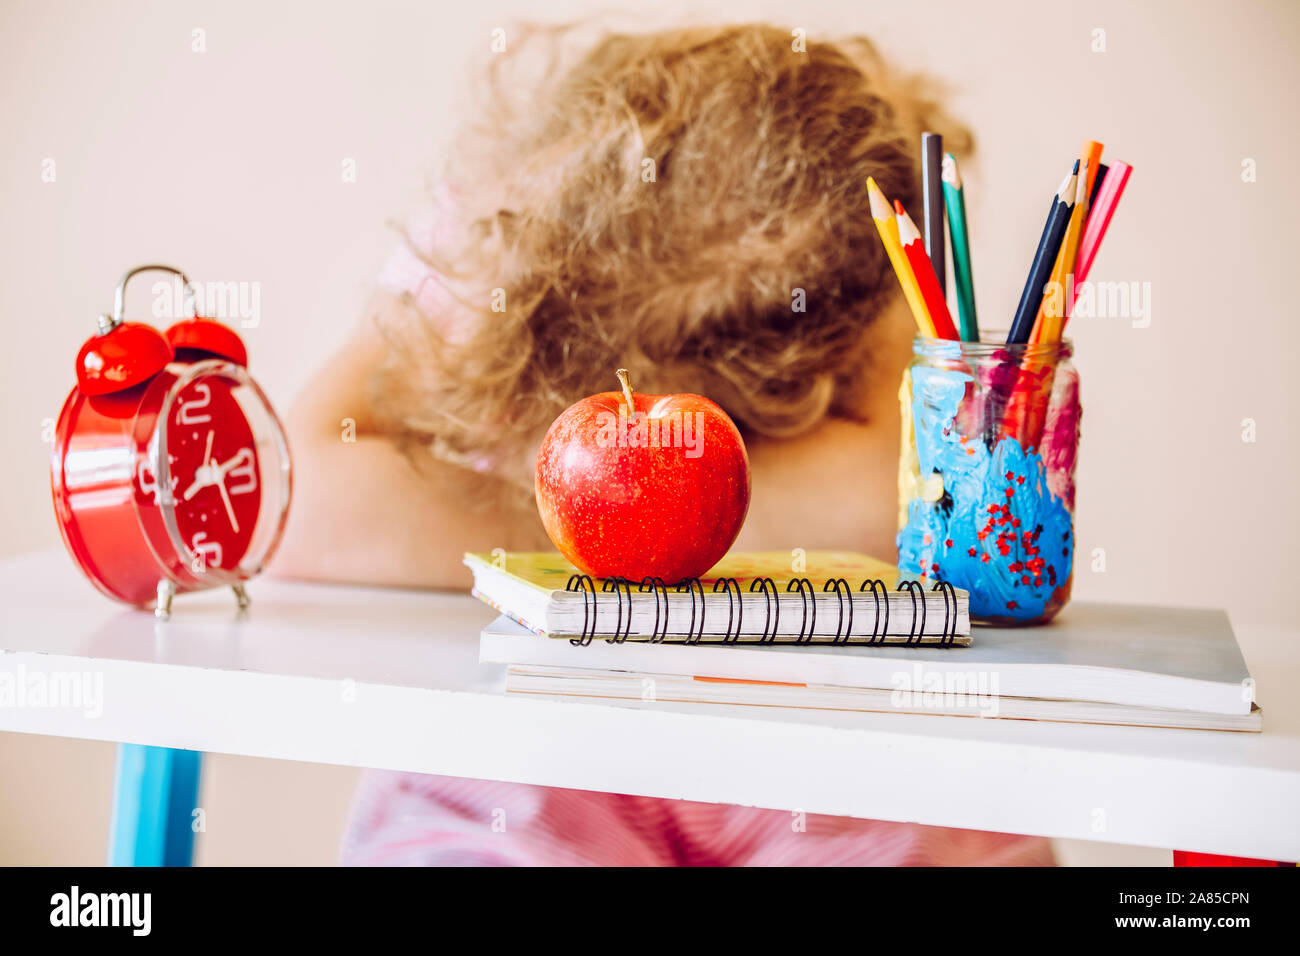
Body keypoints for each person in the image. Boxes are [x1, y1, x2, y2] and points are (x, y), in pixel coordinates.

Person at [277, 22, 1053, 866]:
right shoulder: (488, 262)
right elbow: (298, 501)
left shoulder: (872, 305)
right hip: (563, 754)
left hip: (793, 754)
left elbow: (901, 498)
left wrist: (598, 521)